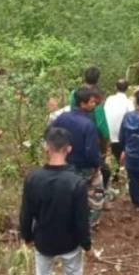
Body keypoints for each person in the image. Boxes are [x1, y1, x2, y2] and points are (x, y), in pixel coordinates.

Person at [20, 127, 91, 275]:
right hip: (70, 242)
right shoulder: (76, 182)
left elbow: (26, 213)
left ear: (46, 147)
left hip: (43, 241)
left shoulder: (33, 179)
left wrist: (27, 236)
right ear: (68, 149)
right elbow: (81, 220)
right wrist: (86, 243)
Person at [52, 87, 105, 225]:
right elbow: (91, 151)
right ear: (82, 104)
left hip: (65, 164)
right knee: (96, 196)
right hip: (84, 166)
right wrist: (97, 165)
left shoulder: (61, 118)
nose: (94, 105)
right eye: (92, 102)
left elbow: (50, 136)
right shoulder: (88, 125)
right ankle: (89, 224)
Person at [69, 67, 111, 191]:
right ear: (97, 79)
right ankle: (101, 195)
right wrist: (106, 139)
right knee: (99, 167)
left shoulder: (75, 93)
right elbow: (101, 122)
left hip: (74, 132)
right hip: (93, 136)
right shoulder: (96, 96)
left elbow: (72, 109)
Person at [104, 80, 136, 174]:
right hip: (123, 137)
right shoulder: (128, 102)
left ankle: (116, 175)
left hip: (110, 136)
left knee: (114, 160)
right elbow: (132, 118)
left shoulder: (109, 99)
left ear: (115, 88)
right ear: (127, 89)